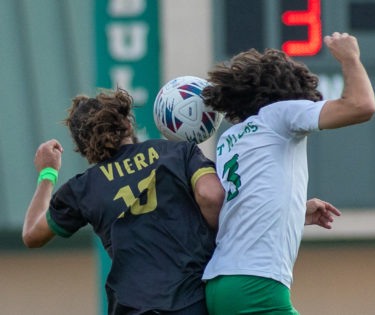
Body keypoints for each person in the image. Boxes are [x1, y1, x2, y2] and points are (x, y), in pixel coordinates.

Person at [201, 32, 375, 314]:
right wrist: (350, 58)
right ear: (289, 89)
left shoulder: (230, 138)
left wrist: (295, 211)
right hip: (256, 286)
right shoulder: (279, 113)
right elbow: (361, 106)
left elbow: (241, 204)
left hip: (221, 283)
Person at [22, 88, 226, 315]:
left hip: (131, 307)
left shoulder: (83, 188)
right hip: (190, 302)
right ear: (127, 124)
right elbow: (212, 196)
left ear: (83, 147)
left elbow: (32, 235)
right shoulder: (179, 152)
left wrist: (47, 173)